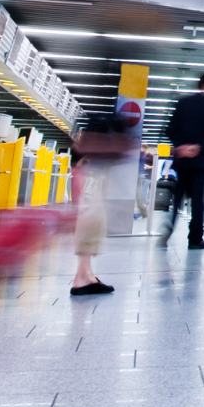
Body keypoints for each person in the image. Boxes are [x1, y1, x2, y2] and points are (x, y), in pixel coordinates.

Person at [68, 109, 137, 296]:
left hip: (90, 175)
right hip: (91, 176)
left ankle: (85, 275)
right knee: (92, 219)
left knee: (94, 220)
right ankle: (82, 279)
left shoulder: (86, 149)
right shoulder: (92, 159)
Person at [162, 74, 204, 249]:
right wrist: (197, 147)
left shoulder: (182, 103)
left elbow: (169, 129)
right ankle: (195, 238)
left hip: (182, 161)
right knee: (197, 203)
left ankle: (169, 225)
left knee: (178, 196)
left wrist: (180, 146)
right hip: (199, 162)